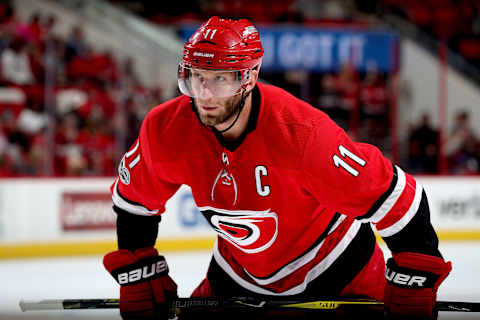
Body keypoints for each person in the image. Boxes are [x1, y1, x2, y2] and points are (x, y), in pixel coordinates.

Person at [102, 17, 452, 320]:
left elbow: (396, 198)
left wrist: (415, 271)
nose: (204, 93)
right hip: (237, 275)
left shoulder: (303, 135)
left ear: (250, 76)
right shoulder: (167, 129)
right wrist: (137, 267)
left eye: (221, 79)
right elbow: (134, 201)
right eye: (196, 77)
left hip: (341, 271)